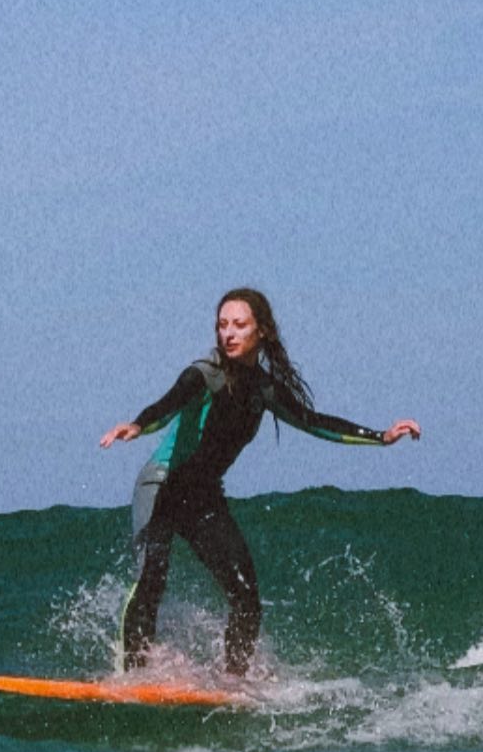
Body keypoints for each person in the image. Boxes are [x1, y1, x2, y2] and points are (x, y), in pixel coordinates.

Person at [101, 287, 420, 676]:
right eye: (222, 325)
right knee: (151, 579)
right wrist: (137, 424)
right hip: (162, 488)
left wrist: (381, 436)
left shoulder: (264, 390)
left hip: (203, 499)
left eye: (239, 325)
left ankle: (233, 681)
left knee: (246, 596)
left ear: (262, 331)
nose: (228, 334)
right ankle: (131, 675)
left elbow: (313, 422)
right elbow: (169, 403)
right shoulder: (204, 374)